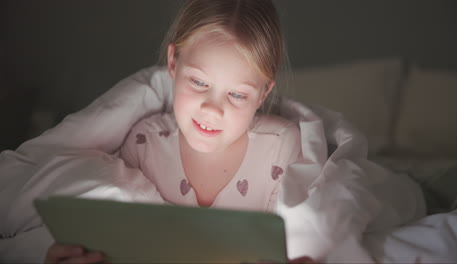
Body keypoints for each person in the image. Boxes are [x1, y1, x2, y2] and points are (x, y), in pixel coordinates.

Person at [44, 0, 316, 263]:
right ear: (173, 63)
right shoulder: (144, 143)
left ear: (263, 94)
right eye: (199, 82)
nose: (212, 109)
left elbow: (297, 239)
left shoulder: (280, 148)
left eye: (236, 94)